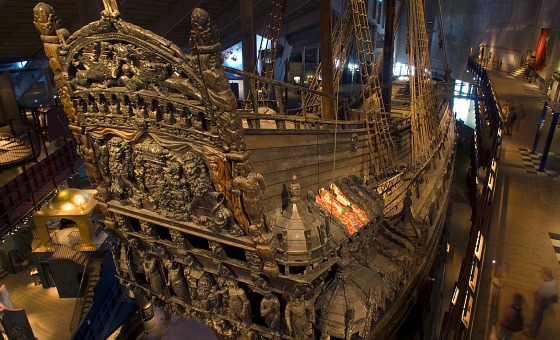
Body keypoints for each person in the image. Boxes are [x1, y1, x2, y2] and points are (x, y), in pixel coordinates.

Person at [524, 267, 558, 338]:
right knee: (538, 317)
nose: (541, 275)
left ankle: (532, 332)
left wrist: (534, 295)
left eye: (542, 274)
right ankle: (532, 327)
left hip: (541, 302)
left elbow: (539, 296)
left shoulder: (545, 285)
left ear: (545, 275)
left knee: (536, 317)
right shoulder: (554, 281)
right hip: (547, 301)